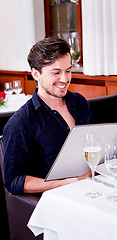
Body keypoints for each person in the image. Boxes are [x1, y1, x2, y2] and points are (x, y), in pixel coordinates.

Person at [3, 37, 92, 195]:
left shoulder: (80, 102)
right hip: (56, 199)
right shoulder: (20, 123)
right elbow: (13, 181)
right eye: (56, 72)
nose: (64, 79)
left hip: (90, 187)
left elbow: (92, 145)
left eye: (68, 71)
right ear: (36, 74)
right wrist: (65, 183)